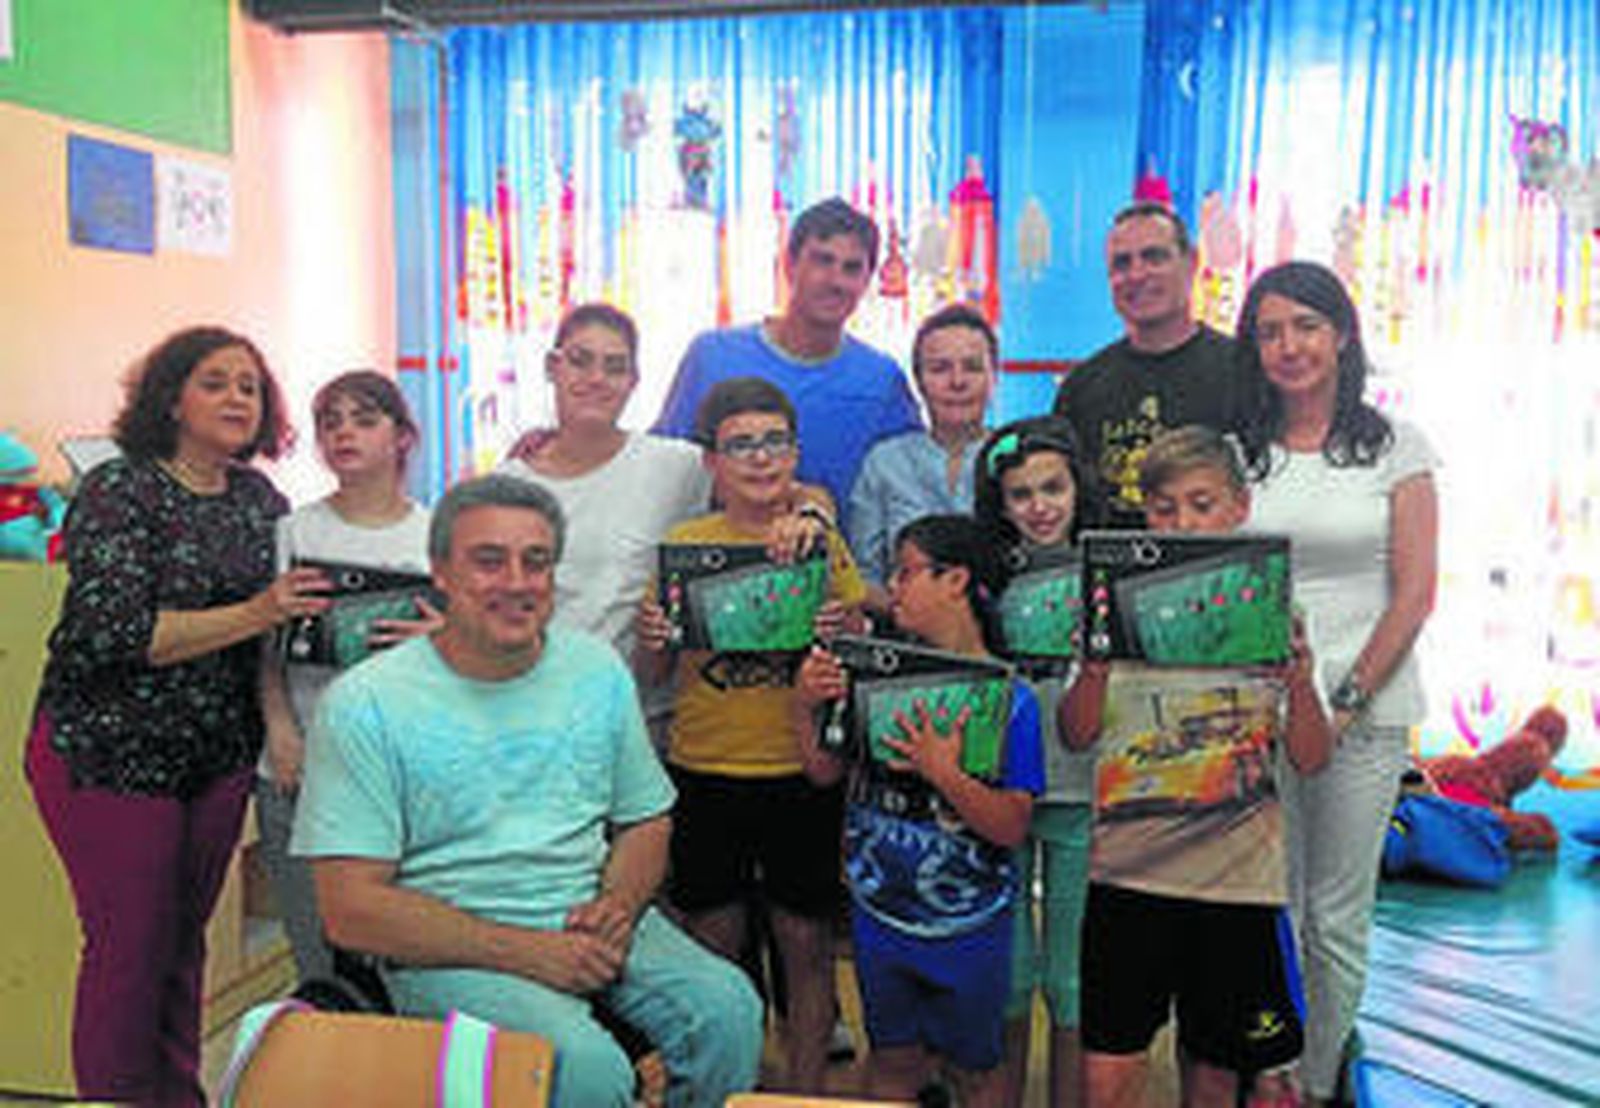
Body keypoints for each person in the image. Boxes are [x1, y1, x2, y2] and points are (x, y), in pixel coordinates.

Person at [292, 474, 763, 1108]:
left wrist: (618, 906)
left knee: (729, 1012)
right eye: (489, 561)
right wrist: (528, 953)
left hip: (586, 914)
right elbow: (350, 909)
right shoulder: (365, 703)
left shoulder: (595, 669)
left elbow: (647, 820)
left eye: (535, 562)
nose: (516, 582)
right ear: (440, 572)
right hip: (445, 946)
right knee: (585, 1071)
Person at [25, 326, 329, 1105]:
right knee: (128, 949)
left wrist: (280, 722)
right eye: (215, 382)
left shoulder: (260, 500)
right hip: (107, 753)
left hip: (215, 756)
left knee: (183, 946)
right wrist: (258, 609)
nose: (237, 398)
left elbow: (273, 636)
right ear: (171, 398)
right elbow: (120, 634)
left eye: (250, 386)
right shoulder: (120, 490)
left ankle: (176, 1094)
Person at [1063, 426, 1333, 1108]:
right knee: (1108, 1074)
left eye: (1201, 503)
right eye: (1164, 508)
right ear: (1144, 515)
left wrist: (1301, 682)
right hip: (1126, 877)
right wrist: (1092, 670)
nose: (1182, 521)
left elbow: (1311, 757)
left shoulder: (1273, 605)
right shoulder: (1112, 605)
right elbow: (1075, 734)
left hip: (1236, 885)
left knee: (1215, 1073)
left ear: (1239, 507)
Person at [1233, 261, 1439, 1106]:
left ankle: (1317, 1084)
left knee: (1335, 914)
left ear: (1342, 335)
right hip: (1259, 714)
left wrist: (1343, 703)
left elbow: (1415, 592)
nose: (1289, 346)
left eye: (1306, 326)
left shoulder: (1397, 446)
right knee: (1269, 904)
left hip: (1367, 707)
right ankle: (1273, 1069)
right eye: (1270, 331)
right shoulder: (1241, 453)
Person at [635, 376, 867, 1092]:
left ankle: (806, 1093)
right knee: (715, 944)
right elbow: (654, 669)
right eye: (740, 445)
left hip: (800, 770)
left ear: (795, 453)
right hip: (705, 769)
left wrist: (843, 626)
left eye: (774, 442)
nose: (760, 457)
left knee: (805, 942)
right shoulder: (685, 546)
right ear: (712, 462)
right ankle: (733, 1087)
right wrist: (653, 637)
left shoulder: (821, 540)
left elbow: (858, 641)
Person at [794, 514, 1045, 1108]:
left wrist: (945, 774)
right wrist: (803, 706)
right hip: (879, 917)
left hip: (968, 928)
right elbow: (823, 771)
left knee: (976, 1073)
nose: (892, 587)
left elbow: (1012, 826)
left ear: (955, 580)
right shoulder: (870, 675)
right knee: (891, 1062)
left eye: (906, 573)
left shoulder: (1011, 699)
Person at [257, 370, 440, 985]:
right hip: (303, 765)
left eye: (364, 419)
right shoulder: (294, 530)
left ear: (403, 437)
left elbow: (468, 656)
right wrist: (281, 731)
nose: (344, 433)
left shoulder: (436, 535)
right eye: (330, 422)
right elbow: (268, 647)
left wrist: (438, 641)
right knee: (318, 952)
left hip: (402, 771)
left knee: (402, 956)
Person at [973, 416, 1099, 1108]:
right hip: (1006, 794)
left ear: (1079, 488)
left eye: (1054, 488)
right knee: (1011, 977)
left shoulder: (1104, 569)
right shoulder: (986, 576)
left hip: (1085, 791)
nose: (1040, 506)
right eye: (1021, 494)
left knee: (1072, 980)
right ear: (1001, 503)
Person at [653, 196, 922, 514]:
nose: (835, 281)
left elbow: (908, 486)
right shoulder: (712, 357)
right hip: (722, 545)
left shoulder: (882, 381)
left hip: (837, 546)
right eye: (822, 261)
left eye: (851, 268)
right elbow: (667, 472)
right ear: (789, 264)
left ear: (866, 281)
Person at [499, 303, 710, 659]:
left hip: (636, 691)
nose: (596, 378)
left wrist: (806, 514)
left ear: (633, 382)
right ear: (552, 367)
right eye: (580, 361)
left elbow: (763, 487)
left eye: (615, 367)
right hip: (531, 686)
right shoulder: (508, 486)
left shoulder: (676, 466)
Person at [1051, 201, 1244, 529]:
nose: (1137, 275)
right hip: (1109, 561)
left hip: (1214, 560)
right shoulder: (1081, 388)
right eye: (1122, 263)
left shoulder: (1243, 371)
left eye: (1154, 257)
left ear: (1191, 262)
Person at [849, 303, 997, 600]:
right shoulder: (885, 463)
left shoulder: (1015, 458)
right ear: (918, 381)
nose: (957, 382)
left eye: (972, 367)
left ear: (994, 377)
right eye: (940, 369)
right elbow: (863, 576)